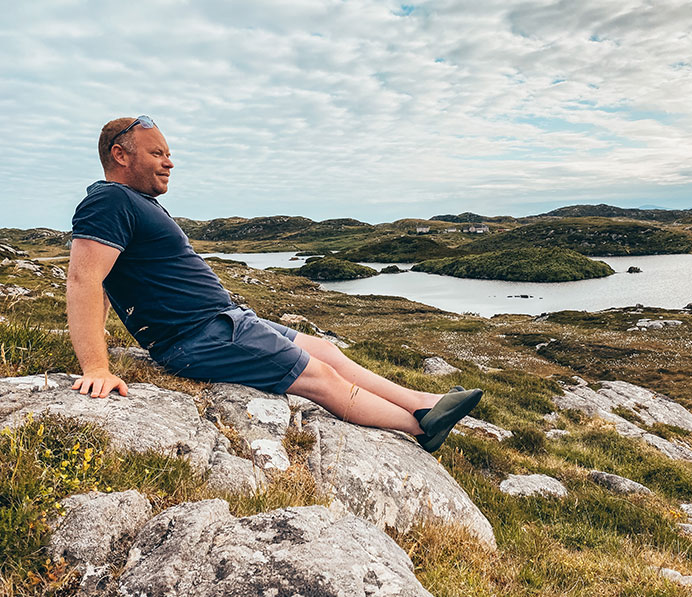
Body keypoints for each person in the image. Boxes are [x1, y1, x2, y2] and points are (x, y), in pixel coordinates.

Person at [67, 115, 481, 452]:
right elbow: (85, 277)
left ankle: (424, 403)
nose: (170, 162)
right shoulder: (109, 201)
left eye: (170, 153)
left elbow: (106, 281)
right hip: (199, 337)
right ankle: (421, 429)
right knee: (320, 375)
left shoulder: (134, 203)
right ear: (120, 155)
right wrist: (96, 367)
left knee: (324, 349)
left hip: (224, 321)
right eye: (158, 152)